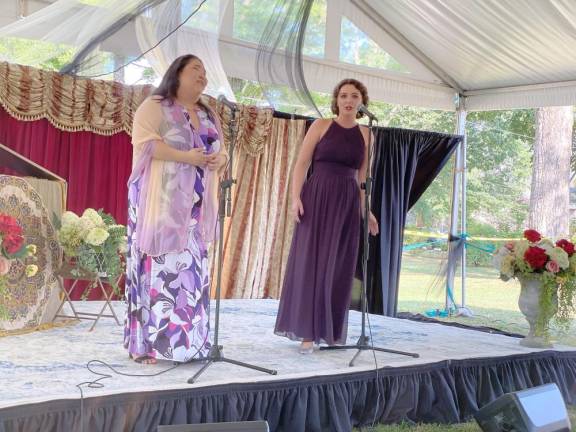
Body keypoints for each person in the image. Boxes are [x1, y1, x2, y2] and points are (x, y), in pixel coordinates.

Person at [124, 55, 228, 364]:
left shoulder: (209, 114)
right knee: (157, 272)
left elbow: (219, 152)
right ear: (177, 73)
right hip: (159, 205)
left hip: (194, 211)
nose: (203, 74)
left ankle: (188, 344)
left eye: (204, 71)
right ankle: (148, 345)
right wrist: (188, 158)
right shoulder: (155, 106)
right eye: (196, 68)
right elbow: (145, 145)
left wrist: (217, 161)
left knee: (188, 275)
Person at [274, 78, 379, 354]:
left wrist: (366, 211)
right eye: (343, 95)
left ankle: (329, 330)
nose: (348, 100)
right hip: (318, 196)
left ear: (361, 101)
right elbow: (302, 163)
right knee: (313, 263)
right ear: (336, 99)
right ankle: (307, 332)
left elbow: (362, 178)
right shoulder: (321, 126)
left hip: (346, 201)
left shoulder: (368, 134)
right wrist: (295, 197)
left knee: (339, 267)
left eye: (354, 96)